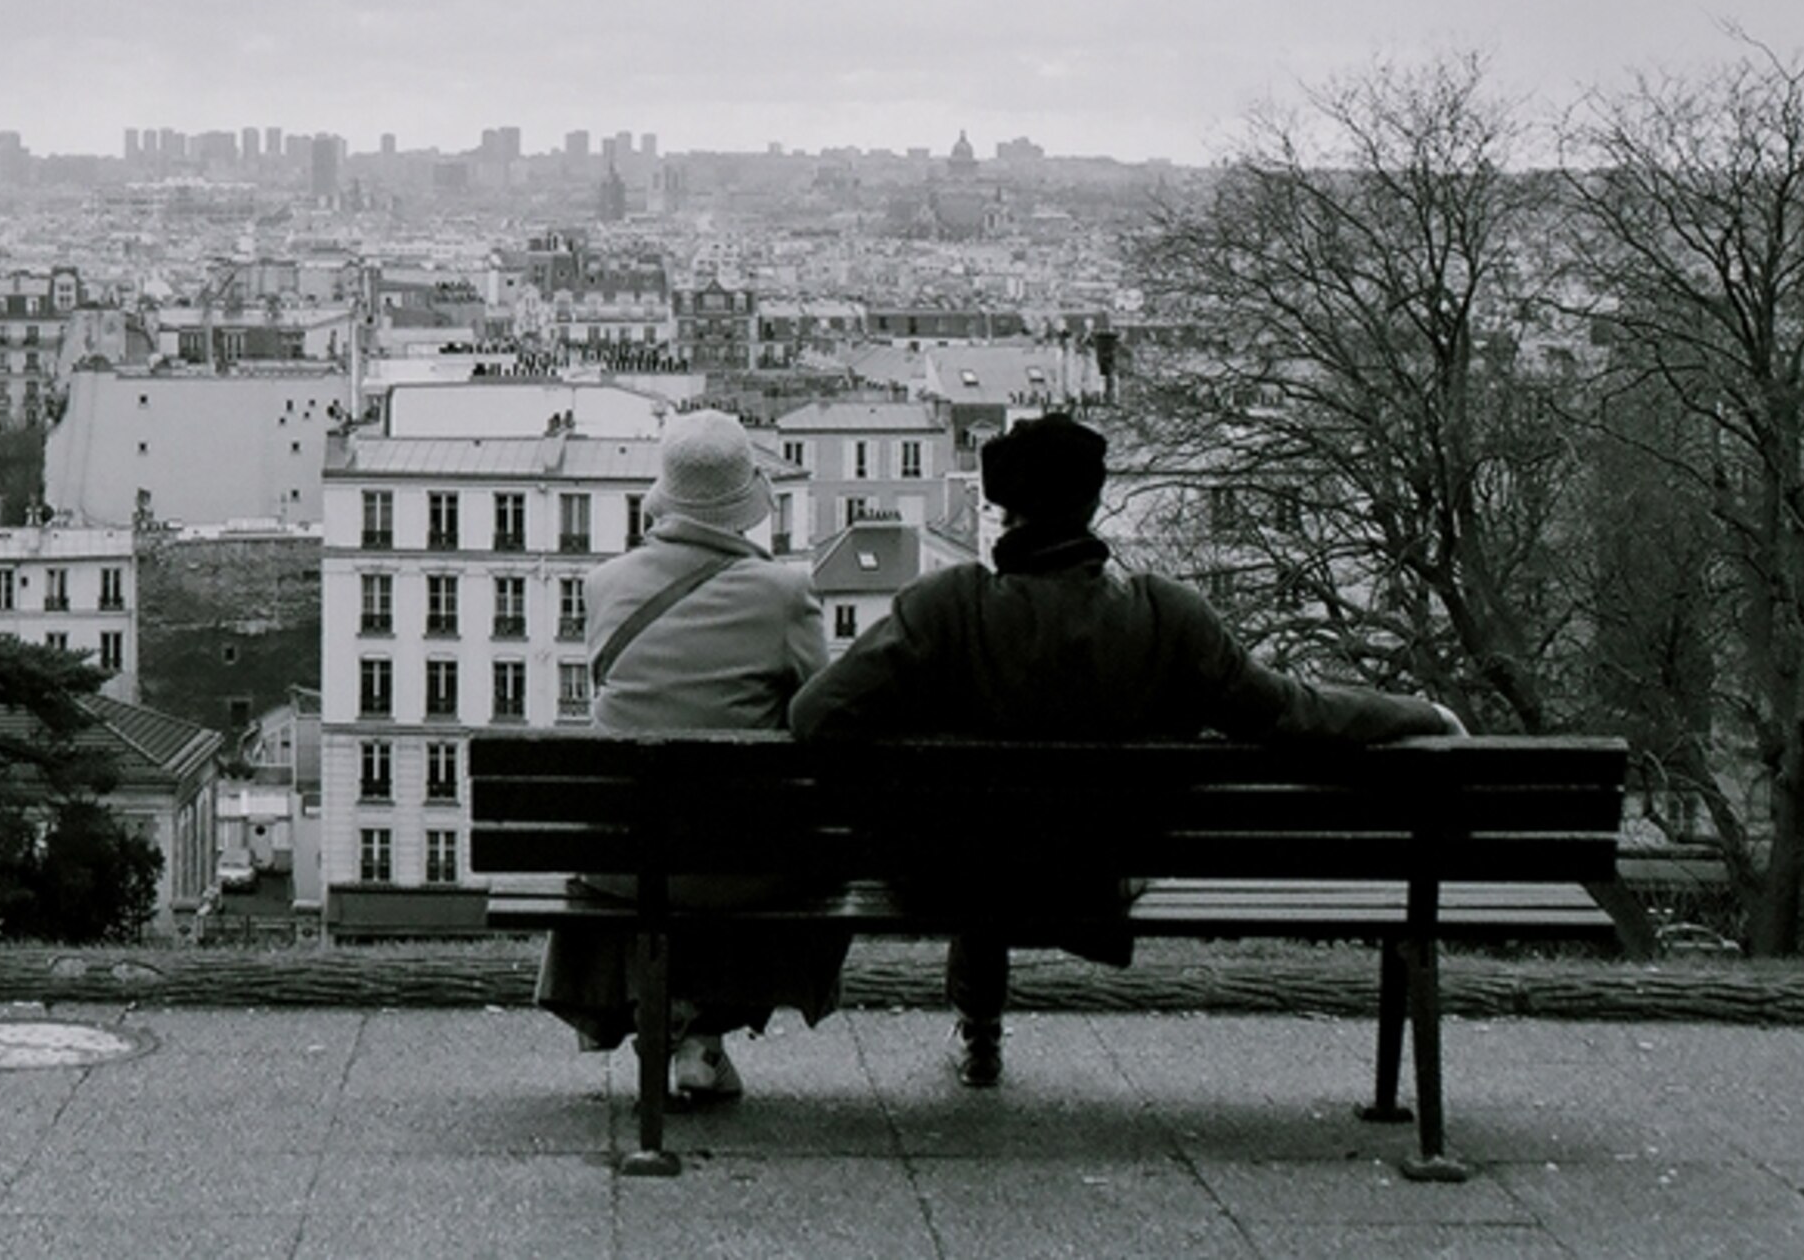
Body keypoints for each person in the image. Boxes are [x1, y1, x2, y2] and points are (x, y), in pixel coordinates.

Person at [789, 412, 1463, 1089]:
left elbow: (816, 713)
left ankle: (980, 1026)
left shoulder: (948, 608)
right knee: (1018, 829)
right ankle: (982, 1009)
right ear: (1094, 503)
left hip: (959, 870)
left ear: (1002, 507)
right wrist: (1421, 712)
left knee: (988, 830)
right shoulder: (1167, 615)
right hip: (1095, 871)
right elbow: (1291, 711)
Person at [533, 408, 850, 1104]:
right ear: (747, 502)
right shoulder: (785, 593)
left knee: (667, 822)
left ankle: (667, 1015)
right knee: (770, 837)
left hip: (622, 864)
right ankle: (704, 1030)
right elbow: (819, 711)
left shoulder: (605, 582)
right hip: (739, 868)